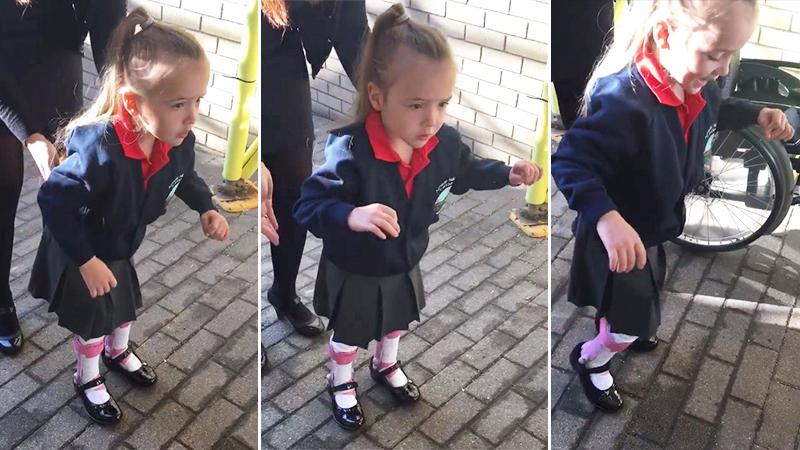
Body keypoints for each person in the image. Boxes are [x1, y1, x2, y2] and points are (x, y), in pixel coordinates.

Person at [293, 3, 542, 431]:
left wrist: (504, 173)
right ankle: (340, 378)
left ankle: (386, 364)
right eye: (415, 105)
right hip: (356, 267)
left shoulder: (443, 143)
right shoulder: (350, 152)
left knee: (395, 322)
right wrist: (350, 215)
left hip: (405, 260)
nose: (431, 119)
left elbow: (464, 171)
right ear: (377, 97)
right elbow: (308, 204)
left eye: (442, 103)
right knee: (351, 332)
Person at [552, 0, 794, 413]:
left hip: (653, 226)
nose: (722, 68)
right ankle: (593, 357)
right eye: (715, 54)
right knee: (626, 322)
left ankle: (625, 324)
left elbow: (716, 110)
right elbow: (570, 161)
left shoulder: (697, 82)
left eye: (730, 55)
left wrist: (757, 112)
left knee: (640, 298)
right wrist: (608, 219)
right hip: (619, 237)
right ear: (666, 35)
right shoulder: (625, 102)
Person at [28, 8, 230, 426]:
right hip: (84, 249)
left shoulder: (176, 140)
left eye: (198, 101)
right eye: (179, 104)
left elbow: (186, 177)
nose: (192, 117)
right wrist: (85, 261)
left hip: (120, 246)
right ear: (133, 105)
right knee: (93, 320)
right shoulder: (98, 151)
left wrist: (206, 206)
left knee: (124, 306)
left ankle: (117, 351)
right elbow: (53, 200)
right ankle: (87, 375)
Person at [0, 0, 125, 356]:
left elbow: (111, 56)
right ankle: (0, 299)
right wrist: (29, 135)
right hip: (1, 82)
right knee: (3, 189)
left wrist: (122, 121)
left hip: (58, 85)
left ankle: (54, 277)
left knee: (67, 195)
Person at [262, 0, 369, 337]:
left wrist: (388, 102)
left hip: (284, 63)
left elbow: (353, 35)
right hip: (246, 66)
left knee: (293, 193)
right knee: (255, 199)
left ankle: (283, 291)